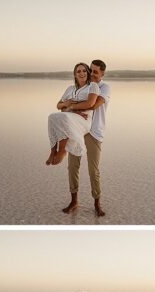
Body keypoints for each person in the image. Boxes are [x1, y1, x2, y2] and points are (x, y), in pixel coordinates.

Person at [61, 59, 111, 217]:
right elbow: (62, 106)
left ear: (102, 73)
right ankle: (74, 201)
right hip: (77, 131)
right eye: (91, 70)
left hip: (94, 132)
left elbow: (92, 105)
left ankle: (97, 203)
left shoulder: (105, 88)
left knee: (93, 170)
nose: (92, 74)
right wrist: (68, 107)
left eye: (96, 72)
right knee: (72, 167)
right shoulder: (81, 88)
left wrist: (71, 106)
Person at [46, 63, 99, 166]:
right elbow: (58, 105)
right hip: (70, 115)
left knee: (64, 117)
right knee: (52, 117)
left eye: (84, 71)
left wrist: (70, 107)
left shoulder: (92, 86)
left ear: (88, 73)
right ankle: (53, 150)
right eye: (78, 71)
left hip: (84, 119)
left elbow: (90, 103)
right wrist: (66, 103)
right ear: (75, 74)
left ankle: (62, 150)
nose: (82, 73)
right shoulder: (70, 88)